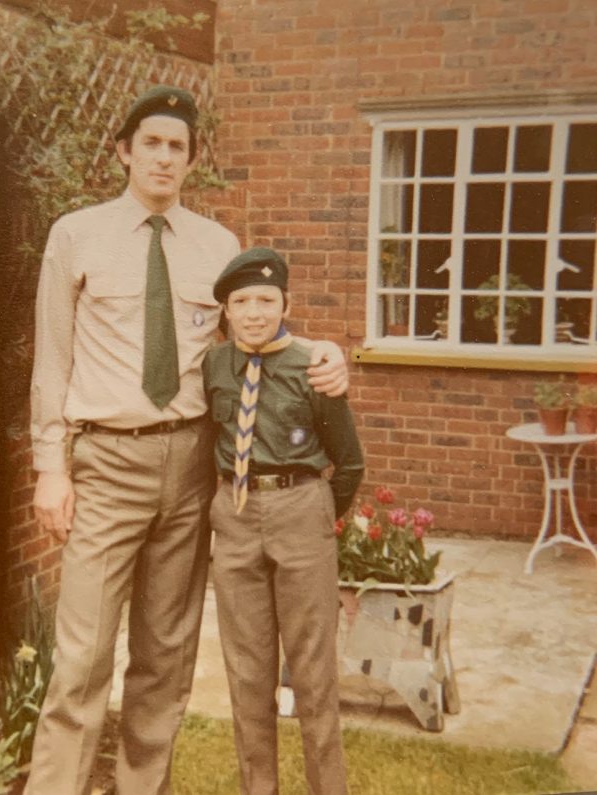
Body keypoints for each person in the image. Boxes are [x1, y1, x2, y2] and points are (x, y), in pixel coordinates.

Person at [27, 85, 349, 795]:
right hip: (107, 461)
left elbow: (256, 338)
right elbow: (52, 361)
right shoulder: (76, 234)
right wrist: (51, 467)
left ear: (191, 159)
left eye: (179, 146)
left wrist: (324, 351)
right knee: (82, 655)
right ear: (124, 151)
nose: (165, 158)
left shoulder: (218, 244)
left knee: (164, 655)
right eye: (152, 143)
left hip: (193, 463)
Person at [203, 246, 364, 795]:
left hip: (300, 510)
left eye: (266, 300)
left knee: (314, 672)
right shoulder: (214, 365)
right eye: (240, 301)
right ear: (225, 311)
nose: (253, 312)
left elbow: (350, 462)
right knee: (248, 672)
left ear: (285, 303)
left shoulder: (312, 364)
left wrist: (316, 515)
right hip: (236, 513)